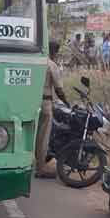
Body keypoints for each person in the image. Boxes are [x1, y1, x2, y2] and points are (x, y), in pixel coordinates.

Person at [35, 40, 69, 178]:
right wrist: (67, 102)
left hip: (32, 102)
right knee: (43, 137)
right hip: (45, 103)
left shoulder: (35, 61)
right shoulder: (51, 64)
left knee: (34, 135)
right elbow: (59, 89)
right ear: (54, 51)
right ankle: (41, 168)